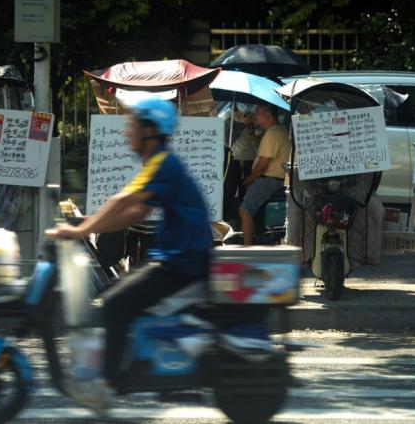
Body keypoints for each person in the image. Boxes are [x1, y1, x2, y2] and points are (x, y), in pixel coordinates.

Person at [47, 97, 212, 410]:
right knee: (120, 293)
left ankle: (109, 385)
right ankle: (139, 367)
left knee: (114, 302)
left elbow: (123, 202)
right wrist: (88, 223)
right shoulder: (159, 163)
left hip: (182, 261)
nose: (127, 131)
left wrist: (82, 230)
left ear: (150, 130)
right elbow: (134, 212)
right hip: (176, 257)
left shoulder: (163, 163)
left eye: (133, 124)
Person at [239, 103, 291, 245]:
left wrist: (249, 179)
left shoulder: (273, 133)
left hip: (270, 179)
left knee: (245, 210)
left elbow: (262, 165)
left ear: (268, 116)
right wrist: (252, 135)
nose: (255, 117)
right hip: (277, 179)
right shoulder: (276, 131)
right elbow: (263, 148)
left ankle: (247, 248)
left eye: (258, 114)